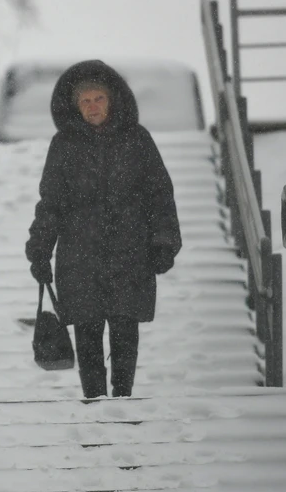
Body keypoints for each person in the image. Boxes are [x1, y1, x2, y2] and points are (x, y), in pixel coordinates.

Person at [25, 59, 181, 399]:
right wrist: (39, 248)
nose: (92, 106)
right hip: (80, 256)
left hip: (130, 250)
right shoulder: (64, 145)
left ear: (111, 100)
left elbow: (159, 194)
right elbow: (50, 201)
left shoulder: (137, 139)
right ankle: (94, 403)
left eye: (98, 99)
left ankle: (123, 399)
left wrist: (163, 241)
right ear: (75, 106)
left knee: (125, 330)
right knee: (88, 333)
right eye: (85, 101)